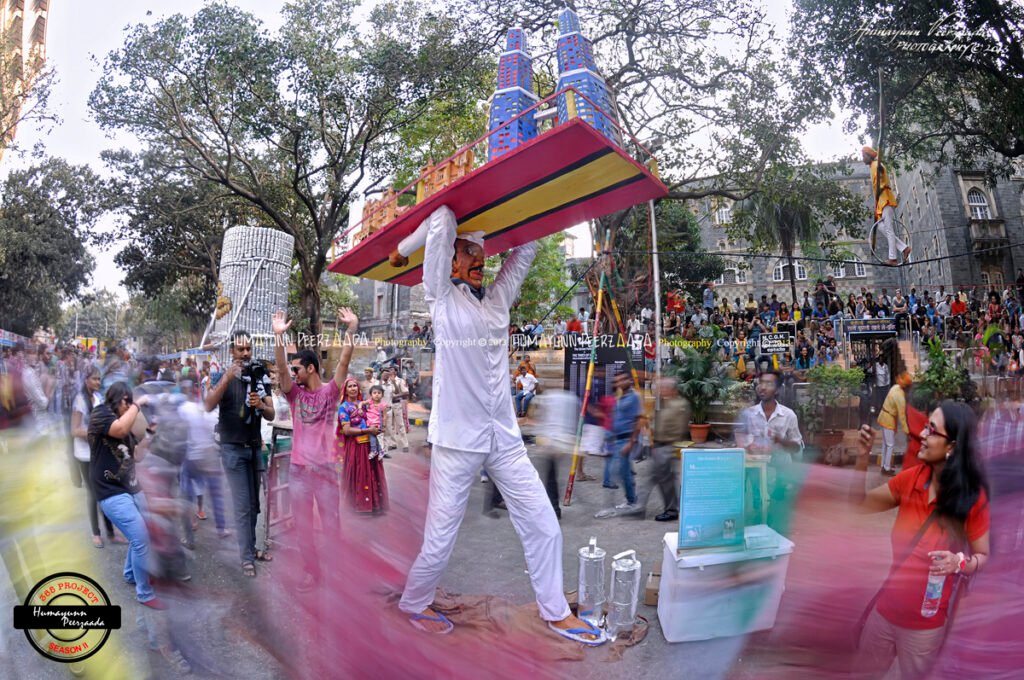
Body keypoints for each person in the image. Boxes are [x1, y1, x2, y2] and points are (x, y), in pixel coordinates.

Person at [388, 205, 602, 643]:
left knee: (543, 523)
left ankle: (555, 611)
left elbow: (527, 250)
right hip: (457, 442)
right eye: (469, 253)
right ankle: (414, 601)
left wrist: (531, 201)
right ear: (449, 261)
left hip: (503, 438)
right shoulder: (440, 297)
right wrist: (403, 250)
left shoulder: (497, 302)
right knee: (440, 539)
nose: (479, 260)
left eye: (482, 254)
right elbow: (442, 217)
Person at [851, 403, 989, 679]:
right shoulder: (911, 480)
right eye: (926, 427)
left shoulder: (972, 498)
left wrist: (958, 562)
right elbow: (860, 505)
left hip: (925, 628)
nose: (923, 435)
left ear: (951, 447)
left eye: (932, 430)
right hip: (884, 614)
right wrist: (862, 458)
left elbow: (983, 556)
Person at [273, 307, 358, 592]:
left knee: (332, 526)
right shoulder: (294, 395)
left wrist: (351, 329)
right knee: (304, 528)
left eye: (297, 368)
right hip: (298, 472)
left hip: (324, 472)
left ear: (310, 368)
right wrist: (278, 337)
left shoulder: (330, 392)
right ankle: (312, 572)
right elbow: (281, 369)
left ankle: (334, 572)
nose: (292, 373)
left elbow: (344, 361)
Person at [205, 331, 275, 578]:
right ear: (232, 351)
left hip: (254, 448)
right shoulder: (220, 374)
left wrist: (261, 405)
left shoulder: (259, 373)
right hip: (232, 450)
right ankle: (246, 557)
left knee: (254, 505)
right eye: (240, 349)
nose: (245, 353)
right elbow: (208, 404)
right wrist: (227, 377)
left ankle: (250, 548)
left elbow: (271, 413)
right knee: (243, 506)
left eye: (248, 349)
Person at [89, 382, 163, 608]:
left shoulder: (125, 422)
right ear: (118, 399)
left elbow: (137, 456)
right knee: (141, 538)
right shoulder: (100, 413)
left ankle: (131, 573)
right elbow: (119, 429)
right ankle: (145, 593)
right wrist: (138, 404)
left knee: (141, 533)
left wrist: (150, 433)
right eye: (127, 402)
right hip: (109, 490)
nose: (129, 406)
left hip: (131, 486)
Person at [736, 371, 803, 524]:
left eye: (769, 384)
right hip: (755, 470)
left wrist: (780, 441)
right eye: (760, 383)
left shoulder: (788, 415)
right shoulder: (749, 414)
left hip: (779, 471)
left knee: (775, 512)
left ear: (777, 389)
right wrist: (747, 445)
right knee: (757, 506)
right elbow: (740, 437)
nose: (763, 387)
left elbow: (796, 447)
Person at [71, 365, 118, 548]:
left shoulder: (98, 398)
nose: (98, 382)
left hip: (98, 452)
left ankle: (111, 533)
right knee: (93, 494)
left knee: (105, 492)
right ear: (86, 380)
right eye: (94, 379)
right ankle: (96, 533)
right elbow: (75, 430)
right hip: (84, 455)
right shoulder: (79, 401)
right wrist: (96, 432)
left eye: (99, 379)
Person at [595, 371, 643, 519]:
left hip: (625, 440)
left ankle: (614, 506)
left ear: (629, 380)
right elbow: (616, 419)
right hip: (615, 440)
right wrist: (608, 438)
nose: (620, 383)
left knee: (614, 473)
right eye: (617, 381)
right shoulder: (620, 397)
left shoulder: (634, 397)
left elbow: (639, 420)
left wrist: (631, 442)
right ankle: (631, 501)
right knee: (622, 473)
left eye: (622, 380)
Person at [337, 379, 389, 515]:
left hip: (371, 445)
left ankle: (375, 505)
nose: (353, 388)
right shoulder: (344, 407)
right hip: (356, 446)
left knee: (372, 474)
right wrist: (367, 430)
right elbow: (347, 430)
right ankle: (359, 506)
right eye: (350, 386)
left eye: (355, 386)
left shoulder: (365, 405)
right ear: (345, 390)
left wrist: (380, 426)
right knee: (360, 474)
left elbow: (376, 417)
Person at [644, 378, 689, 522]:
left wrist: (666, 443)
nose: (659, 390)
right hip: (658, 445)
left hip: (666, 446)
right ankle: (640, 507)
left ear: (671, 389)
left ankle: (671, 510)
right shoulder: (662, 403)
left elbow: (679, 428)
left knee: (664, 480)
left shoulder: (679, 405)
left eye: (662, 388)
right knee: (661, 478)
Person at [862, 145, 910, 265]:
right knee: (881, 227)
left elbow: (881, 171)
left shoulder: (876, 164)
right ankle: (904, 248)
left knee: (888, 229)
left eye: (863, 156)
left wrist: (879, 166)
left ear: (868, 156)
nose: (863, 159)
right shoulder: (872, 167)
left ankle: (893, 258)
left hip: (886, 199)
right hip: (881, 201)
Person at [878, 372, 913, 476]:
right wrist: (907, 431)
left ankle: (884, 466)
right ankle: (886, 468)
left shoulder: (895, 387)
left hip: (883, 416)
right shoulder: (900, 397)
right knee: (890, 445)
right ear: (906, 387)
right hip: (888, 419)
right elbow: (902, 417)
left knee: (885, 444)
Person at [381, 367, 410, 453]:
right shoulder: (386, 381)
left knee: (400, 424)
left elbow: (406, 392)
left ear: (396, 372)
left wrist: (395, 396)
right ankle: (393, 443)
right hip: (389, 405)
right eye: (389, 370)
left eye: (392, 370)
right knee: (390, 426)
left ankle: (405, 444)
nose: (390, 371)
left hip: (396, 404)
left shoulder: (400, 380)